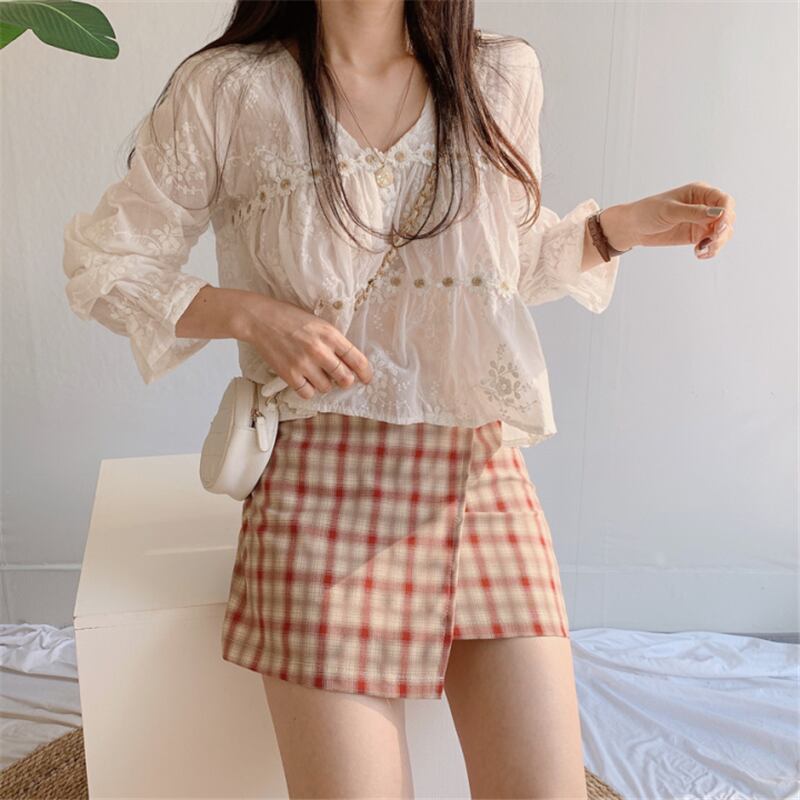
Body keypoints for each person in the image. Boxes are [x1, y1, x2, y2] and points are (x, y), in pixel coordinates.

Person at [62, 1, 735, 797]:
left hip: (478, 474)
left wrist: (615, 229)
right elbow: (106, 265)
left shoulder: (498, 75)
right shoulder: (230, 89)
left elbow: (499, 269)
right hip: (316, 489)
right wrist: (251, 314)